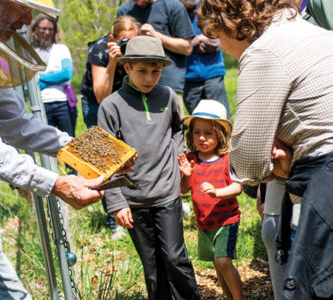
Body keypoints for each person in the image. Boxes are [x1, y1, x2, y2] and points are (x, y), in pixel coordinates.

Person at [0, 0, 138, 297]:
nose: (27, 19)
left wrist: (93, 152)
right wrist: (56, 183)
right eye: (23, 6)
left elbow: (15, 120)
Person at [197, 0, 333, 298]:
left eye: (217, 36)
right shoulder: (319, 35)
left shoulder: (263, 51)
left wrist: (286, 160)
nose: (221, 47)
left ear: (230, 22)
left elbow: (247, 165)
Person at [98, 36, 200, 300]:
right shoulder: (111, 106)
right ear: (127, 68)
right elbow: (105, 160)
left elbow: (177, 130)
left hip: (166, 194)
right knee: (153, 268)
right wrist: (116, 202)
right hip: (134, 199)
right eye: (142, 71)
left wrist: (179, 157)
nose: (149, 78)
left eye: (156, 71)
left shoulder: (168, 96)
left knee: (175, 258)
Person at [178, 99, 243, 300]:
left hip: (226, 220)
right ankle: (228, 296)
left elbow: (237, 187)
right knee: (217, 263)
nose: (202, 138)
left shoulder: (226, 160)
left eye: (208, 133)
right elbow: (183, 190)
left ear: (220, 135)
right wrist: (186, 174)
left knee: (223, 261)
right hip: (204, 223)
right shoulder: (191, 160)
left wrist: (217, 192)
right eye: (197, 132)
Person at [80, 15, 140, 232]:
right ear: (111, 39)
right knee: (104, 159)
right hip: (96, 103)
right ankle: (112, 218)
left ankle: (134, 207)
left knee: (127, 155)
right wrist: (114, 61)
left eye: (132, 41)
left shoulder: (137, 48)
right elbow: (101, 96)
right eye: (123, 41)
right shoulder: (99, 50)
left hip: (124, 99)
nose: (127, 45)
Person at [117, 0, 195, 116]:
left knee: (174, 129)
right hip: (134, 88)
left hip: (169, 86)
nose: (138, 3)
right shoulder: (125, 10)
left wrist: (157, 36)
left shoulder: (172, 5)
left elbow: (187, 48)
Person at [28, 14, 77, 141]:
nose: (47, 32)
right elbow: (27, 83)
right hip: (42, 104)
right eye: (43, 28)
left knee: (71, 144)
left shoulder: (61, 49)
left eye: (50, 29)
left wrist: (41, 78)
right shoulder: (30, 52)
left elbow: (66, 74)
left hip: (63, 102)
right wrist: (54, 77)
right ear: (35, 29)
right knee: (46, 143)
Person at [180, 0, 230, 117]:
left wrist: (189, 43)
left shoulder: (206, 6)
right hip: (188, 77)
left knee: (221, 120)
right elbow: (177, 46)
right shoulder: (175, 10)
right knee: (199, 121)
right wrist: (198, 40)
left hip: (213, 73)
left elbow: (214, 42)